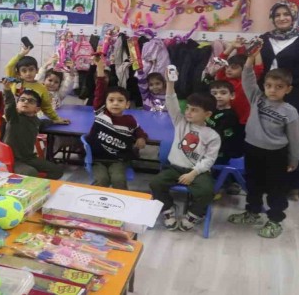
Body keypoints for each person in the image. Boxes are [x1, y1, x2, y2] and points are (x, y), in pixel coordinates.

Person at [227, 53, 299, 239]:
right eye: (269, 86)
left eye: (279, 87)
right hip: (252, 150)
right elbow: (247, 78)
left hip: (276, 155)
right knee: (253, 184)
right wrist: (250, 59)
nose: (273, 90)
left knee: (276, 189)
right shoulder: (257, 98)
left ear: (288, 89)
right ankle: (252, 212)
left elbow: (295, 138)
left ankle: (275, 220)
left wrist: (294, 159)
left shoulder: (290, 112)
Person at [259, 1, 299, 200]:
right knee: (270, 136)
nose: (282, 18)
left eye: (286, 14)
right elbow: (258, 68)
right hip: (268, 95)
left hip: (297, 95)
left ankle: (295, 184)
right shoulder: (264, 39)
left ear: (293, 16)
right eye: (277, 15)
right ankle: (270, 181)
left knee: (297, 138)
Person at [149, 69, 220, 232]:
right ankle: (168, 209)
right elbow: (171, 101)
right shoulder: (180, 122)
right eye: (187, 108)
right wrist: (170, 82)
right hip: (174, 168)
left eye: (194, 110)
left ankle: (194, 214)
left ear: (207, 114)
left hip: (197, 172)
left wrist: (193, 174)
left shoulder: (212, 135)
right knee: (155, 183)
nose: (188, 112)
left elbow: (209, 160)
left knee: (207, 191)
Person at [84, 56, 147, 189]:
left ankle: (121, 200)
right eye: (111, 100)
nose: (115, 103)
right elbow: (100, 90)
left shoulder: (130, 120)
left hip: (118, 160)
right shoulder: (101, 113)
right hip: (98, 159)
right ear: (105, 103)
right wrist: (99, 67)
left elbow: (139, 131)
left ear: (127, 104)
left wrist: (141, 137)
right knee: (102, 181)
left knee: (118, 180)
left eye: (120, 100)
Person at [1, 79, 64, 179]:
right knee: (31, 172)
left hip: (29, 158)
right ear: (17, 105)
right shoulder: (14, 118)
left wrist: (55, 121)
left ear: (37, 109)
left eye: (31, 101)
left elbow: (42, 123)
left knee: (57, 170)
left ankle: (40, 185)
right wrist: (7, 89)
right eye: (22, 100)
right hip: (14, 159)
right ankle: (30, 184)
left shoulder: (35, 120)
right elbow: (9, 104)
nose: (25, 102)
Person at [5, 46, 69, 124]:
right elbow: (9, 67)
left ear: (37, 70)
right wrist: (22, 54)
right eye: (24, 71)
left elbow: (47, 108)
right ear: (19, 73)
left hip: (29, 122)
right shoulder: (16, 81)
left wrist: (57, 119)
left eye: (31, 69)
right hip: (10, 119)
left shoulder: (42, 88)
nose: (28, 73)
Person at [211, 38, 263, 125]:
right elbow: (220, 62)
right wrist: (232, 46)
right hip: (224, 120)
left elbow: (258, 68)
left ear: (244, 69)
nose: (228, 70)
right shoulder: (223, 80)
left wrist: (256, 50)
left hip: (243, 122)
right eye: (227, 67)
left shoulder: (246, 83)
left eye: (234, 67)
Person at [206, 80, 244, 196]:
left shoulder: (230, 115)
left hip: (223, 151)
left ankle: (226, 184)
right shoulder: (211, 111)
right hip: (210, 147)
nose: (218, 96)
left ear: (232, 95)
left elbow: (220, 139)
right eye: (214, 93)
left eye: (223, 93)